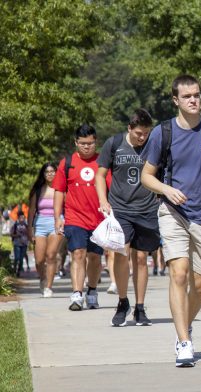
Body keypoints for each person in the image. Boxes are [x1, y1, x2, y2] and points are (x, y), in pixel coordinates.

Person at [141, 74, 201, 367]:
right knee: (179, 274)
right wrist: (167, 189)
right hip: (173, 213)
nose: (194, 100)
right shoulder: (163, 132)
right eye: (187, 96)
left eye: (197, 95)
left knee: (200, 286)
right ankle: (184, 341)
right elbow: (147, 176)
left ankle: (187, 324)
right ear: (176, 100)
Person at [97, 108, 159, 327]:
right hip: (121, 208)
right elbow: (100, 175)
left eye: (146, 133)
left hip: (147, 208)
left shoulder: (153, 146)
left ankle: (140, 308)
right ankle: (123, 301)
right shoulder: (114, 144)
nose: (142, 138)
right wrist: (103, 201)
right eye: (139, 133)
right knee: (122, 253)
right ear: (129, 128)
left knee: (142, 258)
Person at [53, 124, 109, 311]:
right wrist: (58, 217)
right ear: (76, 142)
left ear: (96, 142)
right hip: (75, 217)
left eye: (91, 143)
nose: (87, 147)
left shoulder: (103, 162)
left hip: (98, 220)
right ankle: (77, 295)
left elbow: (111, 190)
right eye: (83, 143)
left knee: (94, 257)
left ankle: (92, 291)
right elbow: (59, 191)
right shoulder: (67, 163)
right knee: (77, 254)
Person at [27, 163, 63, 297]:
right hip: (40, 224)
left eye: (53, 171)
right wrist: (29, 229)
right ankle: (43, 278)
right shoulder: (38, 189)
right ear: (43, 174)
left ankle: (48, 287)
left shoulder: (61, 189)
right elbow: (31, 212)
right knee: (39, 260)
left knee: (51, 255)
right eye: (47, 171)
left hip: (57, 222)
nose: (50, 174)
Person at [11, 211, 30, 277]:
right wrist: (16, 235)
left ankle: (18, 271)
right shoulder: (15, 225)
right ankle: (14, 270)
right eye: (21, 218)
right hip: (17, 244)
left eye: (23, 218)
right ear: (18, 218)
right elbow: (11, 234)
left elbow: (29, 234)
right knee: (17, 258)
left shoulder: (26, 226)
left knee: (21, 259)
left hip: (24, 244)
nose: (22, 219)